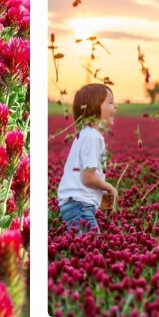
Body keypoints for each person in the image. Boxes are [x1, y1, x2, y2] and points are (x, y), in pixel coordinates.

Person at [56, 83, 119, 233]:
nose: (115, 106)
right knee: (90, 248)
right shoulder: (92, 137)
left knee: (86, 247)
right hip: (79, 205)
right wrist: (110, 188)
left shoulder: (84, 134)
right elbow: (88, 178)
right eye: (110, 102)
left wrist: (98, 195)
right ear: (94, 108)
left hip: (75, 202)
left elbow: (84, 178)